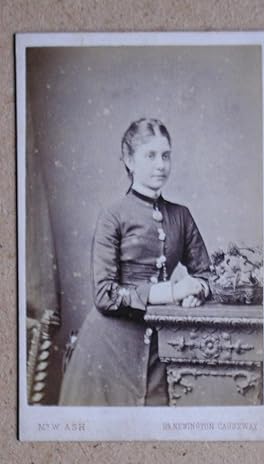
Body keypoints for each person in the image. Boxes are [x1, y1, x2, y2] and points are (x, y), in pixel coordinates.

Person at [59, 118, 211, 406]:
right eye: (150, 155)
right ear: (129, 160)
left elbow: (206, 274)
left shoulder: (181, 215)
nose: (160, 165)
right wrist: (172, 292)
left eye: (166, 155)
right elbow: (105, 295)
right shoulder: (112, 216)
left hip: (161, 350)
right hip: (107, 353)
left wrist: (198, 292)